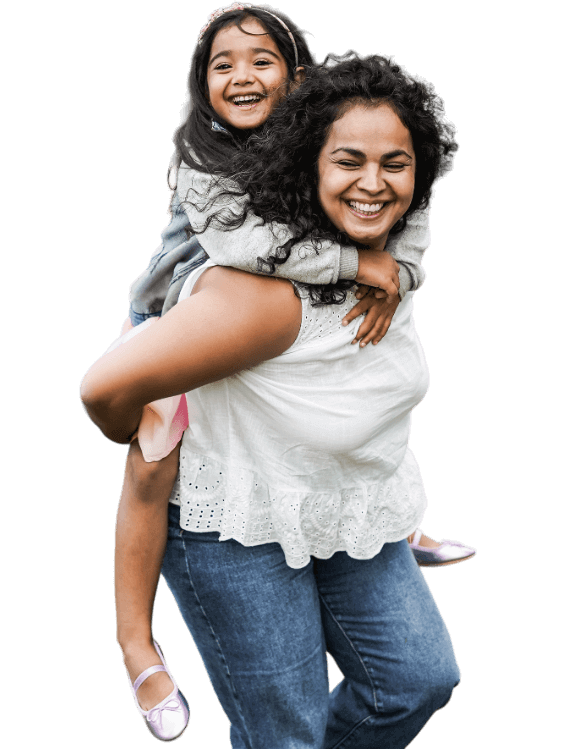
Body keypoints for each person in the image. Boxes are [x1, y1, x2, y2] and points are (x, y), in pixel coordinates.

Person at [81, 48, 463, 748]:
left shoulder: (391, 257)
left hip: (339, 501)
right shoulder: (262, 297)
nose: (374, 184)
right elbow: (103, 386)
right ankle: (137, 648)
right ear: (310, 161)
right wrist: (144, 432)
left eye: (395, 164)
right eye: (348, 161)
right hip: (236, 523)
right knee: (287, 735)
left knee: (415, 681)